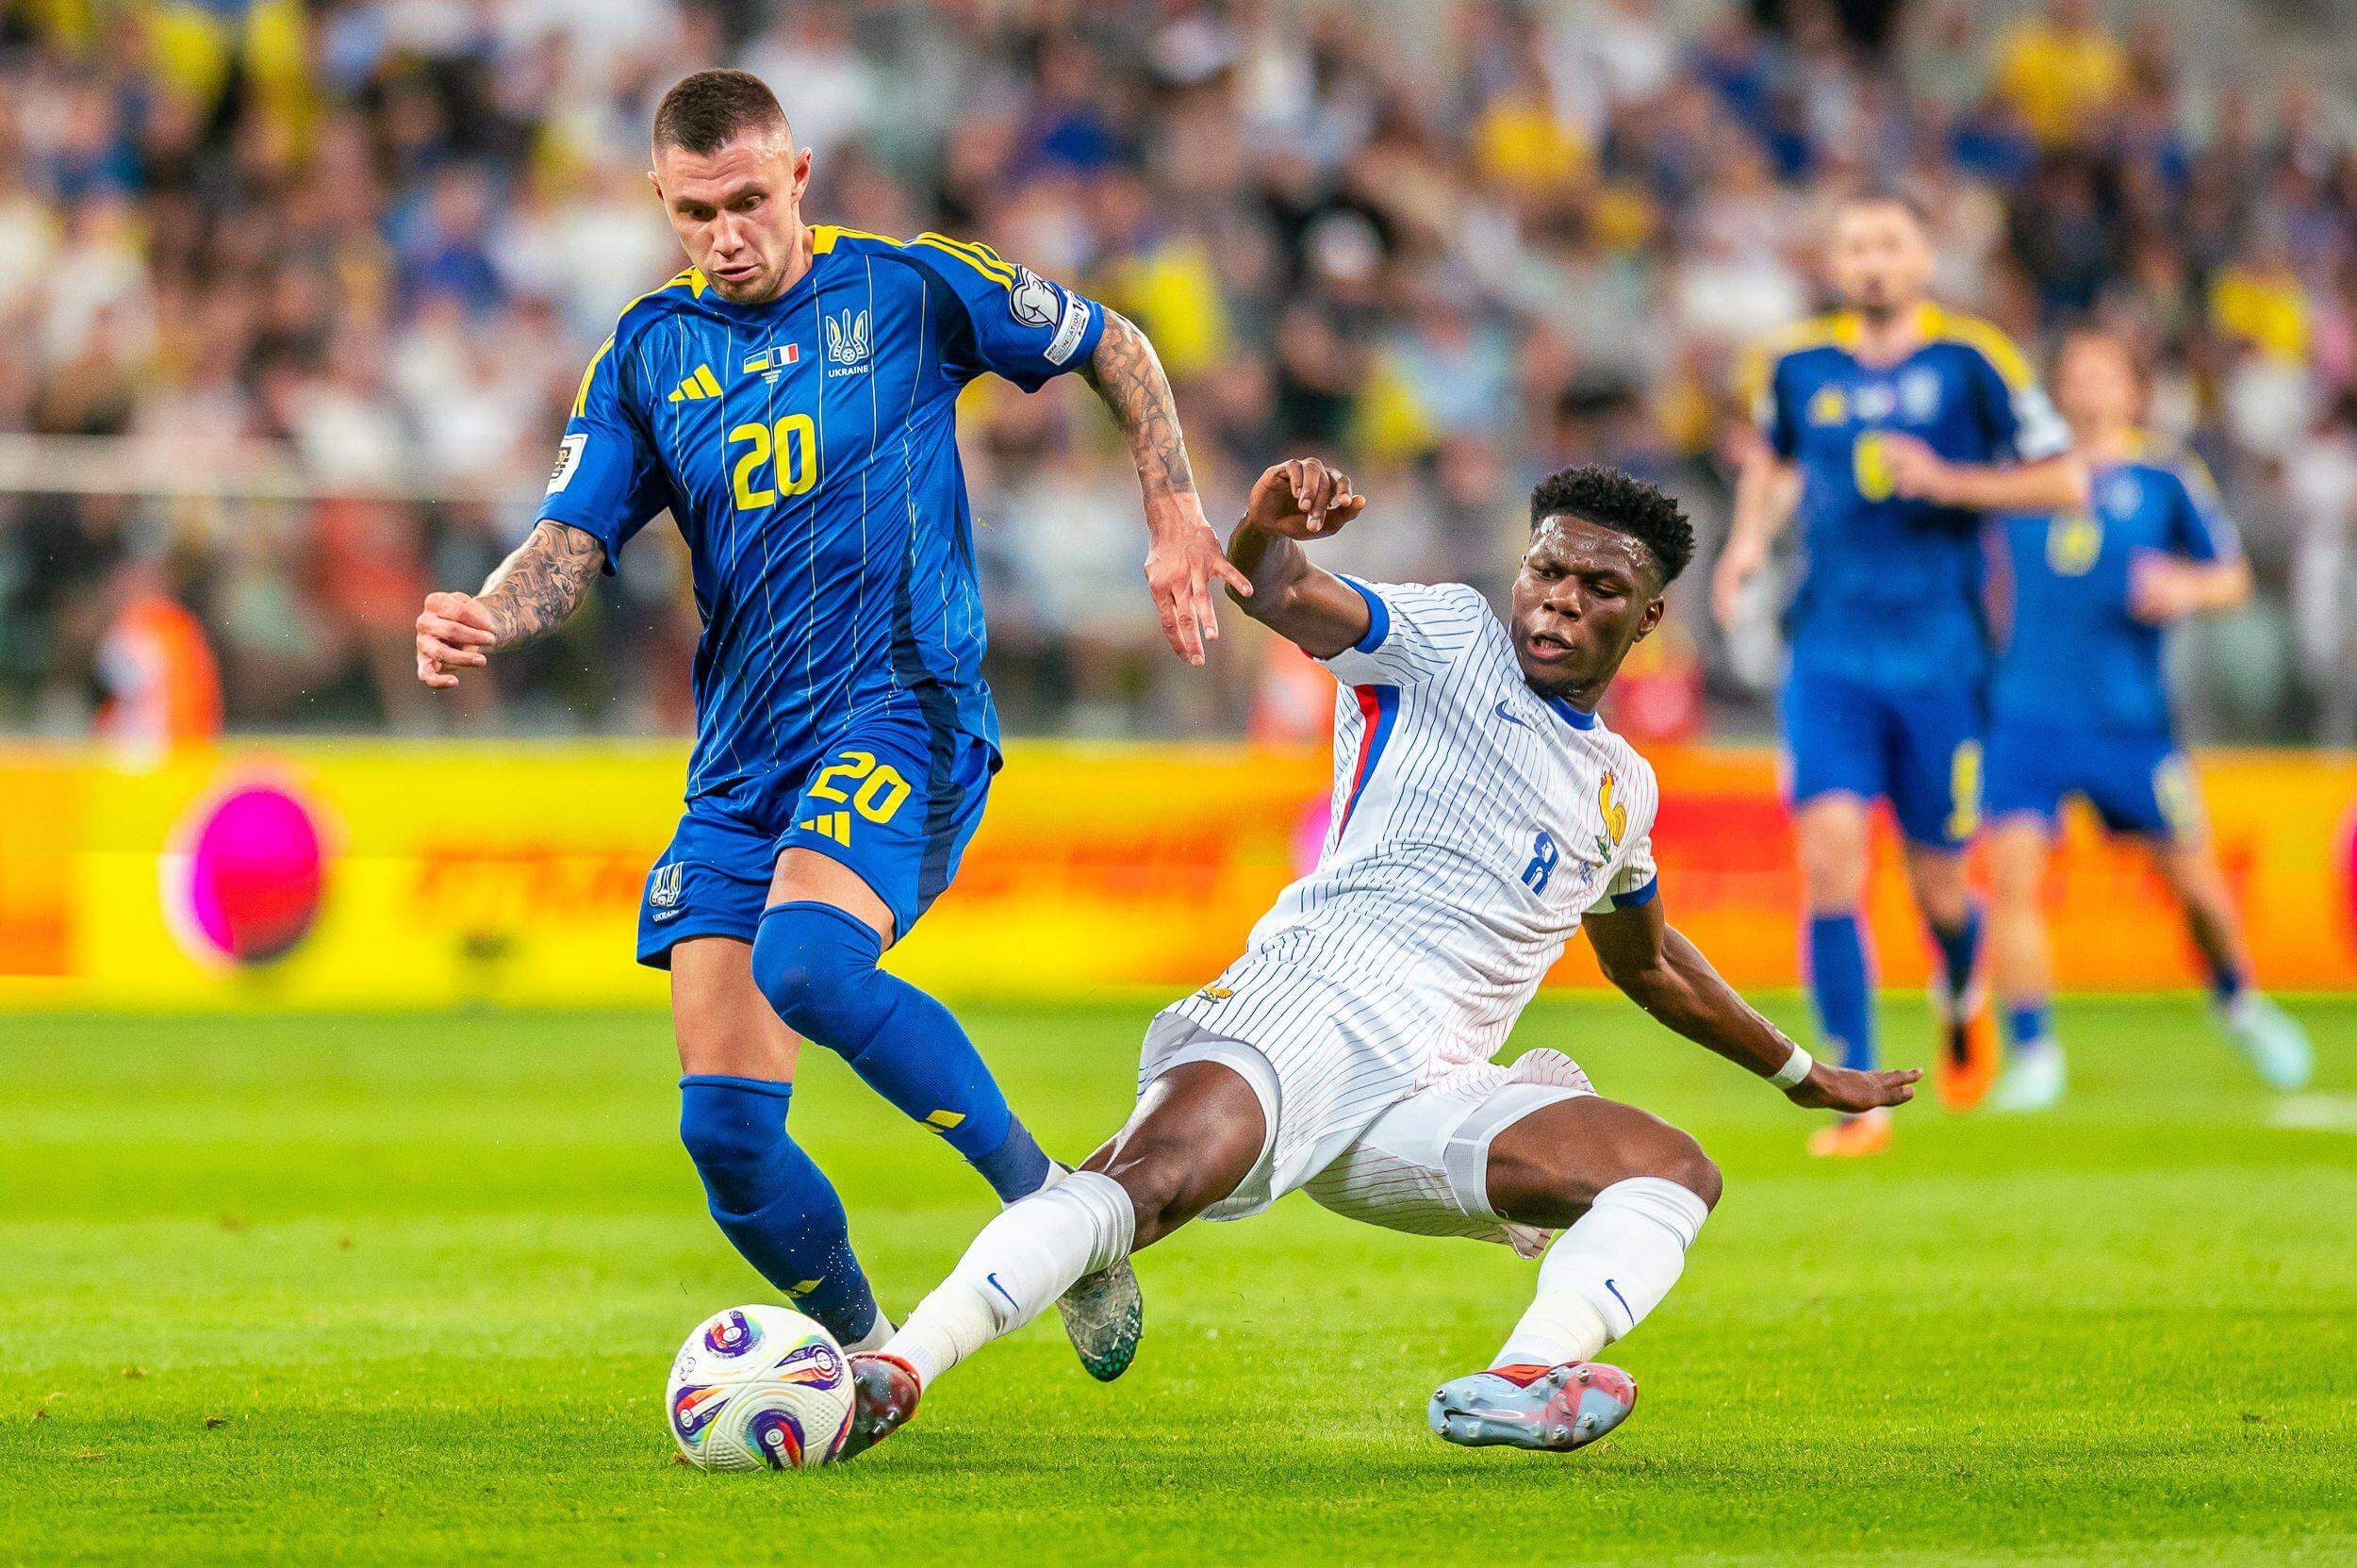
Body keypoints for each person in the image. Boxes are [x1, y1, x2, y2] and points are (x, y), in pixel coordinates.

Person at [410, 71, 1250, 1365]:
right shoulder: (645, 352)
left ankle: (1060, 1212)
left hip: (902, 710)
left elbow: (1113, 344)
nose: (727, 233)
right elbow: (571, 542)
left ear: (799, 177)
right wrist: (487, 612)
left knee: (806, 961)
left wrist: (1173, 511)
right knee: (726, 1136)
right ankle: (860, 1353)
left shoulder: (911, 288)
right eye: (697, 211)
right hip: (741, 759)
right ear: (662, 203)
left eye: (749, 199)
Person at [834, 457, 1920, 1460]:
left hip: (1432, 1089)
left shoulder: (1621, 788)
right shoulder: (1444, 637)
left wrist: (1795, 1071)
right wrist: (1263, 527)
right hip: (1307, 1006)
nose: (1557, 597)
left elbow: (1650, 962)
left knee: (1672, 1170)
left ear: (1648, 617)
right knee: (1152, 1184)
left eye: (1597, 586)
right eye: (1545, 568)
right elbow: (1278, 594)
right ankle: (899, 1363)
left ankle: (1528, 1375)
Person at [1715, 193, 2088, 1154]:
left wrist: (1949, 480)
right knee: (1830, 861)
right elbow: (1769, 462)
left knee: (1937, 886)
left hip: (1942, 661)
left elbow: (2063, 481)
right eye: (1853, 244)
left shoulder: (1974, 361)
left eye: (1888, 242)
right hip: (1829, 651)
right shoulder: (1797, 367)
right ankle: (1856, 1094)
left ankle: (1961, 978)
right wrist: (1746, 545)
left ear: (1924, 258)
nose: (1870, 260)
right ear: (1834, 264)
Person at [1982, 330, 2313, 1110]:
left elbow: (2232, 577)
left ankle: (2237, 998)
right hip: (2023, 716)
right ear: (2060, 391)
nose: (2090, 387)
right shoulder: (2017, 475)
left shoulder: (2166, 476)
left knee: (2196, 889)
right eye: (2076, 373)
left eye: (2105, 373)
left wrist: (2184, 587)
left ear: (2134, 391)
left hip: (2131, 725)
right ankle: (2033, 1053)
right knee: (2013, 884)